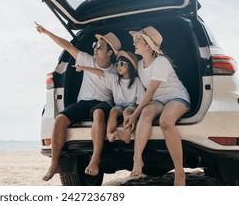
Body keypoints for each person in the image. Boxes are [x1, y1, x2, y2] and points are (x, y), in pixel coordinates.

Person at [35, 22, 121, 180]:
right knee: (60, 119)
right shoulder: (87, 59)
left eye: (100, 47)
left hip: (103, 104)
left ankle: (95, 160)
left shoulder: (115, 71)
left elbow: (104, 75)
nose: (95, 48)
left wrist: (85, 69)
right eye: (95, 45)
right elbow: (67, 46)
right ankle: (55, 163)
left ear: (109, 53)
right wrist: (47, 32)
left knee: (99, 113)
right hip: (84, 103)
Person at [124, 26, 190, 186]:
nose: (134, 43)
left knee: (165, 121)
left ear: (148, 45)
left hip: (177, 97)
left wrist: (134, 115)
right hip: (158, 100)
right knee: (146, 112)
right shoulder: (139, 65)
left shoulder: (161, 61)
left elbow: (150, 91)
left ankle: (179, 172)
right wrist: (132, 111)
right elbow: (145, 93)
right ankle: (137, 159)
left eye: (138, 40)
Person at [76, 50, 145, 144]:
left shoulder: (137, 81)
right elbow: (99, 72)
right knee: (113, 112)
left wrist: (137, 112)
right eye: (116, 65)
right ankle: (109, 134)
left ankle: (127, 134)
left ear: (130, 66)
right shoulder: (115, 79)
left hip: (131, 105)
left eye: (122, 64)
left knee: (127, 112)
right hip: (119, 105)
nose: (118, 67)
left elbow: (141, 101)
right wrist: (84, 68)